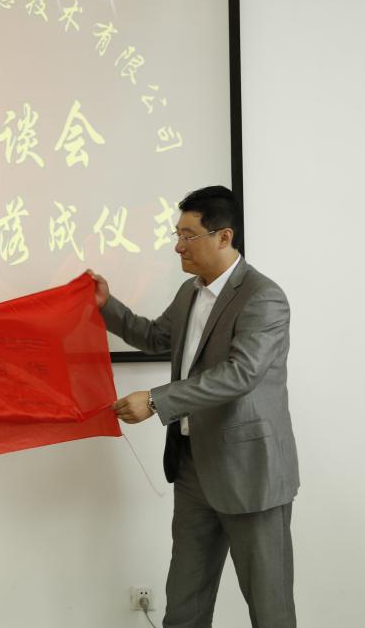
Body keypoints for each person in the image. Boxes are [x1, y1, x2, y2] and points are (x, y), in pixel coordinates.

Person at [87, 186, 298, 627]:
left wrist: (156, 400)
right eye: (177, 234)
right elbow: (154, 337)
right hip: (192, 467)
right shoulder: (190, 292)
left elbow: (241, 374)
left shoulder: (263, 297)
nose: (178, 246)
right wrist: (106, 306)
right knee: (185, 604)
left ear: (224, 237)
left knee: (269, 608)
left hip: (250, 472)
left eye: (188, 235)